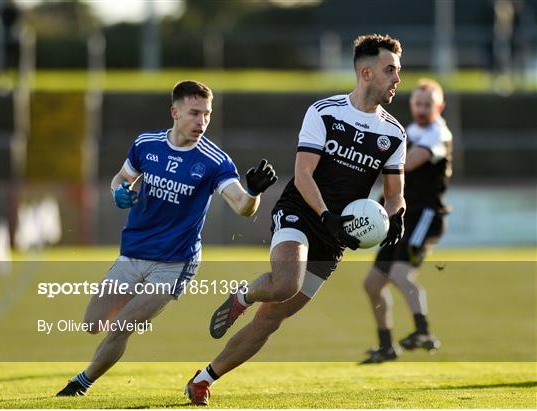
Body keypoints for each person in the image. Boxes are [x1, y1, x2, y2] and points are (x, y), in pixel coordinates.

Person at [185, 34, 407, 406]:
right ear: (366, 73)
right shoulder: (325, 112)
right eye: (390, 71)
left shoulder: (394, 133)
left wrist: (397, 215)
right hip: (301, 213)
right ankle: (243, 295)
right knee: (287, 282)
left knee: (270, 321)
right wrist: (326, 216)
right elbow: (303, 175)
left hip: (336, 238)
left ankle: (204, 379)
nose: (397, 79)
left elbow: (395, 191)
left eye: (398, 71)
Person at [55, 80, 277, 396]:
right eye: (194, 113)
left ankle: (81, 383)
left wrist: (253, 191)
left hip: (175, 264)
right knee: (93, 324)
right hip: (132, 255)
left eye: (207, 115)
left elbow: (242, 206)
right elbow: (122, 179)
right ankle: (118, 331)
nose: (201, 122)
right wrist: (119, 192)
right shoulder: (146, 144)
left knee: (122, 328)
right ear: (174, 112)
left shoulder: (215, 161)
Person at [361, 78, 453, 364]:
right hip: (402, 216)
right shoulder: (409, 130)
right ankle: (386, 345)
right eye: (418, 103)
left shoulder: (438, 134)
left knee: (400, 274)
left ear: (439, 106)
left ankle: (423, 332)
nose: (423, 109)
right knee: (373, 284)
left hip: (425, 216)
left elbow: (407, 163)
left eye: (429, 104)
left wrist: (371, 160)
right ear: (412, 104)